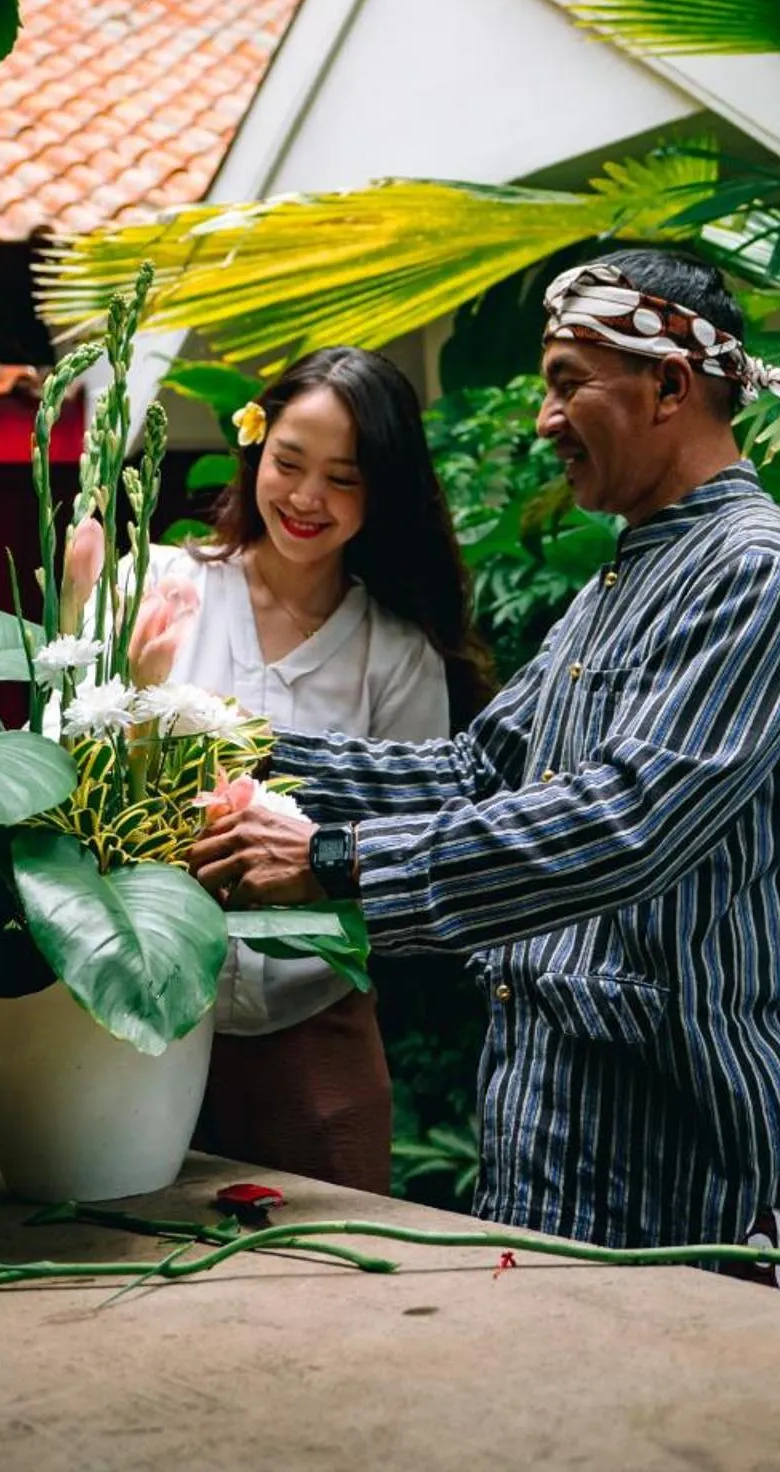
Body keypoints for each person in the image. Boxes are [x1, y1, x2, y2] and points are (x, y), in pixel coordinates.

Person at [190, 251, 780, 1289]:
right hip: (546, 1155)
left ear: (671, 388)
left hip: (689, 1165)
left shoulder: (763, 578)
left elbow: (625, 824)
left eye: (567, 381)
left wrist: (332, 859)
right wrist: (222, 750)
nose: (546, 419)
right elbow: (475, 772)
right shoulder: (615, 586)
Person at [164, 345, 480, 1194]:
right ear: (254, 450)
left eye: (343, 478)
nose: (306, 499)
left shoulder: (398, 651)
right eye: (289, 463)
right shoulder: (161, 589)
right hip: (147, 1015)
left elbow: (411, 839)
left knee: (331, 1286)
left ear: (385, 491)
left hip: (315, 1022)